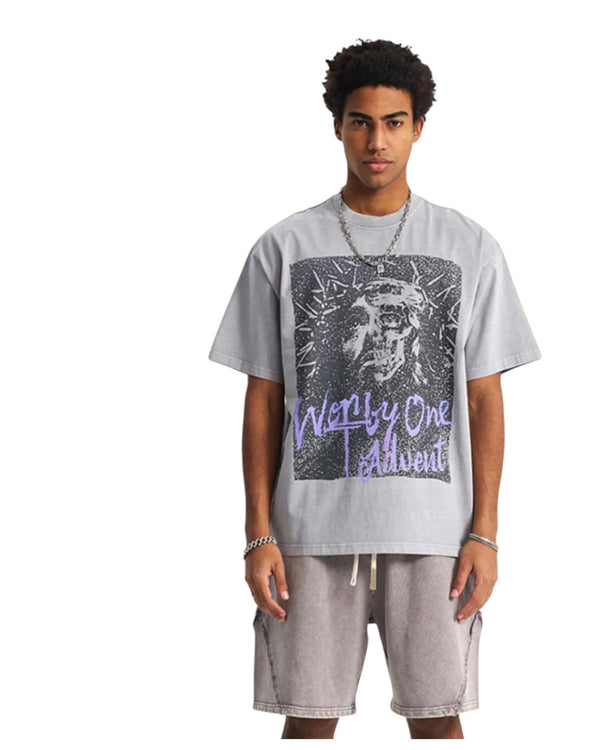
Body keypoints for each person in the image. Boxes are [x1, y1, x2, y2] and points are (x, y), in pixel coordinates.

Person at [208, 38, 541, 740]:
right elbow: (262, 400)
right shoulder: (284, 247)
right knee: (308, 723)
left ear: (419, 127)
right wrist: (257, 532)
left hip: (433, 532)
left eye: (393, 122)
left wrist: (485, 533)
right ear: (338, 126)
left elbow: (484, 399)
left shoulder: (469, 247)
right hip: (308, 533)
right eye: (361, 122)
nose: (377, 141)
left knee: (438, 722)